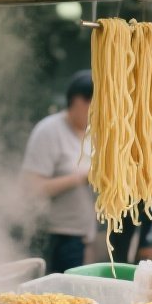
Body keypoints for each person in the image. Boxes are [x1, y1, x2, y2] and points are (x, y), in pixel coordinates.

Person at [20, 70, 97, 274]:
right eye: (92, 103)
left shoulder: (93, 135)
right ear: (76, 100)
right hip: (52, 237)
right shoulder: (49, 131)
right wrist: (82, 177)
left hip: (81, 237)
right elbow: (31, 187)